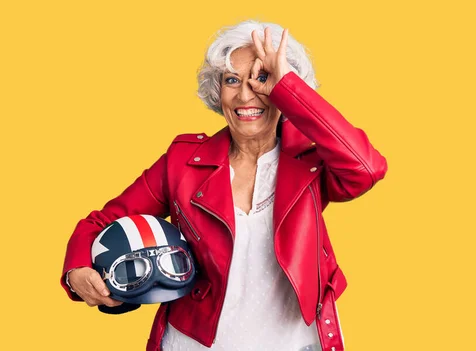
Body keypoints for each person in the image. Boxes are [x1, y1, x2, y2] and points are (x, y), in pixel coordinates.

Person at [61, 20, 387, 351]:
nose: (245, 94)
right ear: (219, 89)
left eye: (262, 78)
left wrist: (288, 86)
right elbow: (101, 223)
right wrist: (76, 272)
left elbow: (367, 168)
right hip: (195, 344)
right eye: (232, 79)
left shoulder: (312, 161)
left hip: (295, 343)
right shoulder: (182, 162)